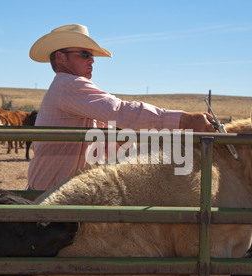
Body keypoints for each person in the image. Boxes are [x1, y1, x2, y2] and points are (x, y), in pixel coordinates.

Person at [27, 24, 215, 191]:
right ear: (61, 58)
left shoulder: (73, 93)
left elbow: (111, 136)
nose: (91, 60)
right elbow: (119, 111)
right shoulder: (69, 84)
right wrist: (184, 119)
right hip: (52, 200)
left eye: (91, 56)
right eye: (85, 54)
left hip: (58, 193)